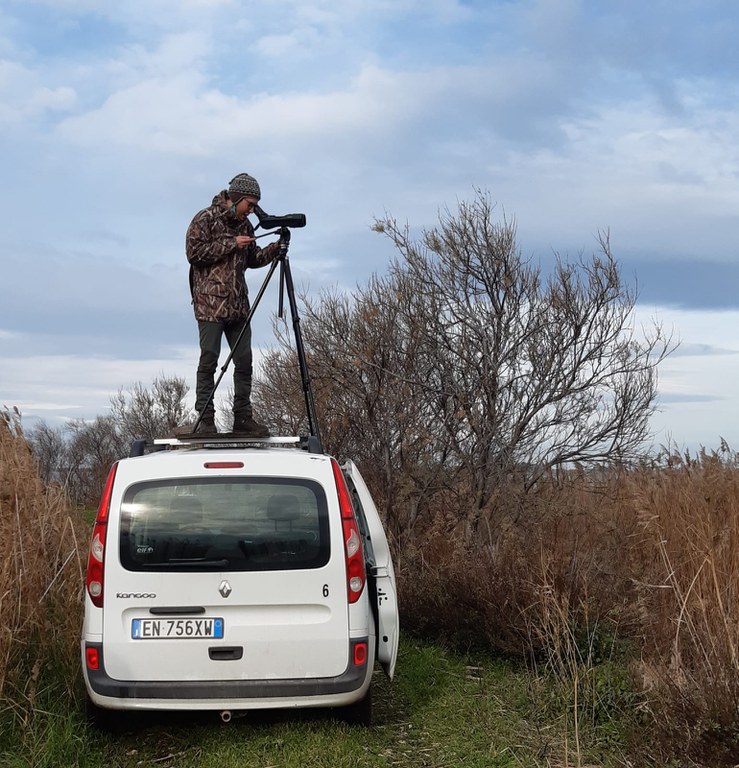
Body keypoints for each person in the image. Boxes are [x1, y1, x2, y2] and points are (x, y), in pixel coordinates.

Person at [183, 173, 280, 436]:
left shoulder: (246, 226)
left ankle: (243, 418)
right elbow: (194, 254)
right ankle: (205, 419)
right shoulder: (205, 218)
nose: (252, 210)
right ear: (236, 198)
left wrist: (275, 248)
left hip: (238, 306)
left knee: (245, 361)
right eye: (249, 204)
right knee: (209, 361)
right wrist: (231, 243)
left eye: (254, 206)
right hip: (209, 305)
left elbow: (252, 259)